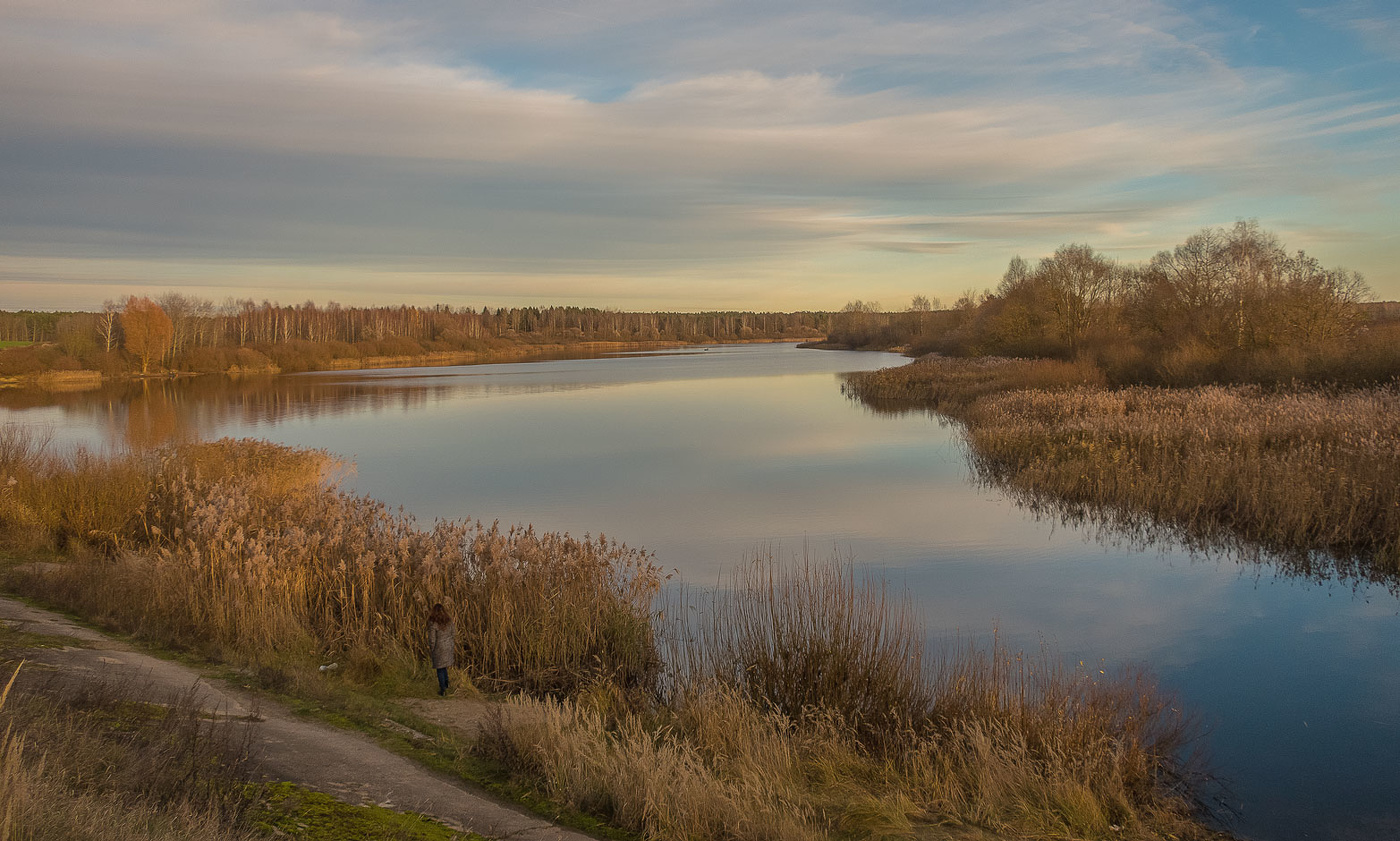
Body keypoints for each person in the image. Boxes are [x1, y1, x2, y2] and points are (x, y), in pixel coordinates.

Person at [427, 602, 456, 696]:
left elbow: (432, 639)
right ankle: (447, 686)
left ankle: (443, 689)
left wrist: (432, 648)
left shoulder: (433, 623)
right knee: (444, 667)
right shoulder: (449, 621)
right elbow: (453, 633)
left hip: (439, 647)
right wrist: (450, 643)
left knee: (440, 669)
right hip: (448, 646)